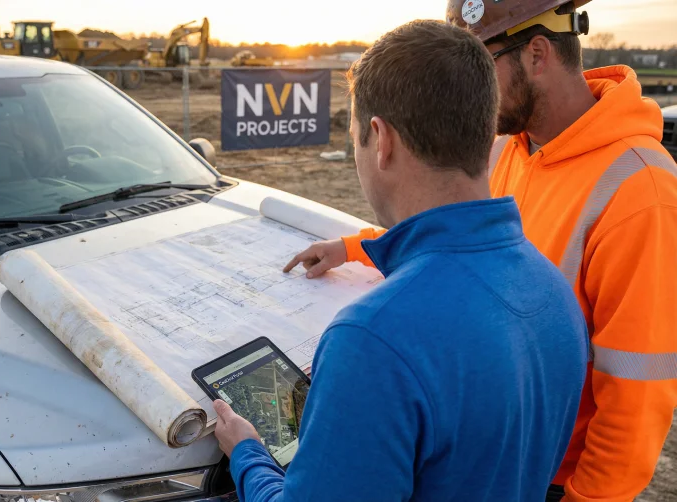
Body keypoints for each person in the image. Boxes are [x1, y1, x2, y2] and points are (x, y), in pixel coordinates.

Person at [284, 2, 677, 501]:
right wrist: (355, 248)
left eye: (479, 62)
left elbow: (639, 395)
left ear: (536, 54)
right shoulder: (509, 145)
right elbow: (461, 238)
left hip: (552, 473)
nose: (465, 86)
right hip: (489, 448)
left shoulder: (641, 190)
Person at [213, 19, 588, 502]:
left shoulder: (370, 340)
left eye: (356, 142)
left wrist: (247, 453)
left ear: (381, 139)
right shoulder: (553, 290)